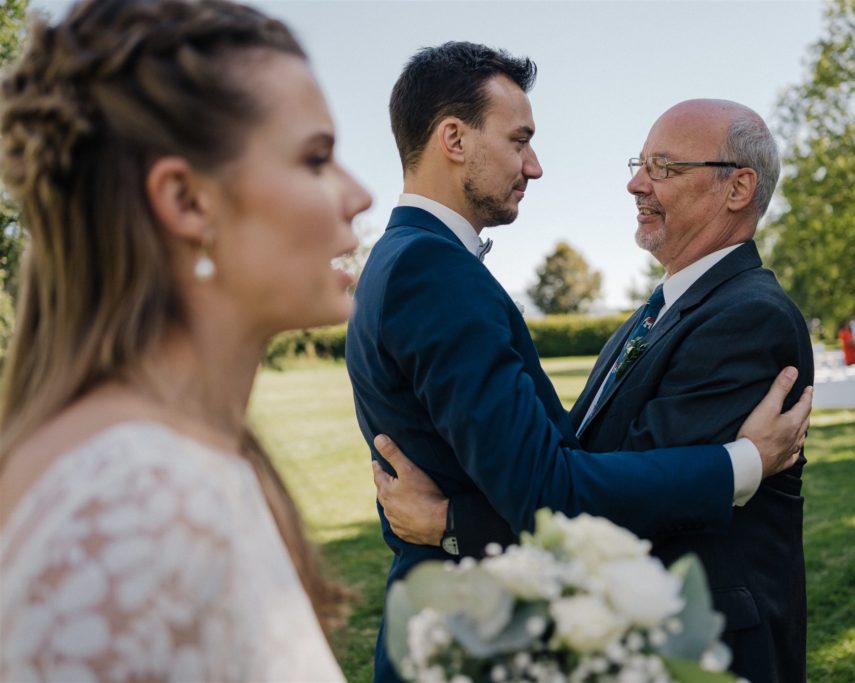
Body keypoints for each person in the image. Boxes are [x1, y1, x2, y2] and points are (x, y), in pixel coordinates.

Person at [345, 44, 813, 683]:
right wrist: (745, 462)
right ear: (453, 139)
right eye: (520, 141)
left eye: (664, 166)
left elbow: (583, 484)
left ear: (738, 187)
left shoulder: (746, 315)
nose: (634, 184)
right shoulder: (433, 270)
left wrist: (452, 523)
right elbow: (555, 484)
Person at [0, 0, 371, 679]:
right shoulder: (142, 501)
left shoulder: (180, 463)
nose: (359, 194)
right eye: (316, 157)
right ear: (188, 201)